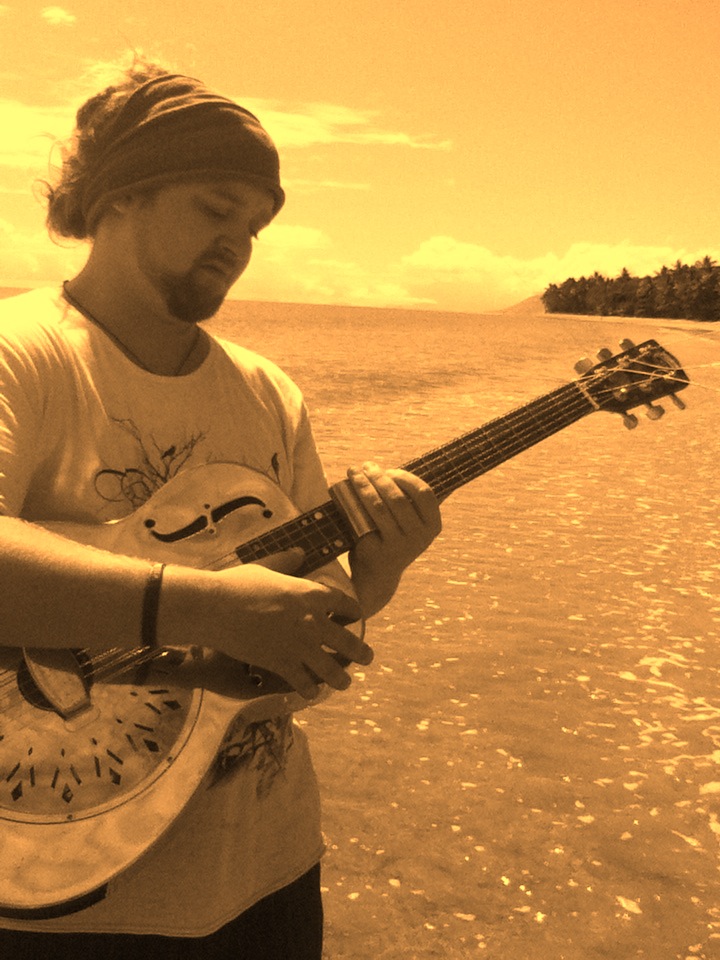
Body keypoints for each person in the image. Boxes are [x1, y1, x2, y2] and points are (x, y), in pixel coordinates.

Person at [0, 63, 441, 959]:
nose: (238, 242)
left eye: (254, 225)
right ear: (120, 195)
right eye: (215, 208)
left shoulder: (268, 391)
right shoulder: (25, 355)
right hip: (77, 886)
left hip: (266, 869)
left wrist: (377, 572)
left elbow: (303, 626)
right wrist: (197, 605)